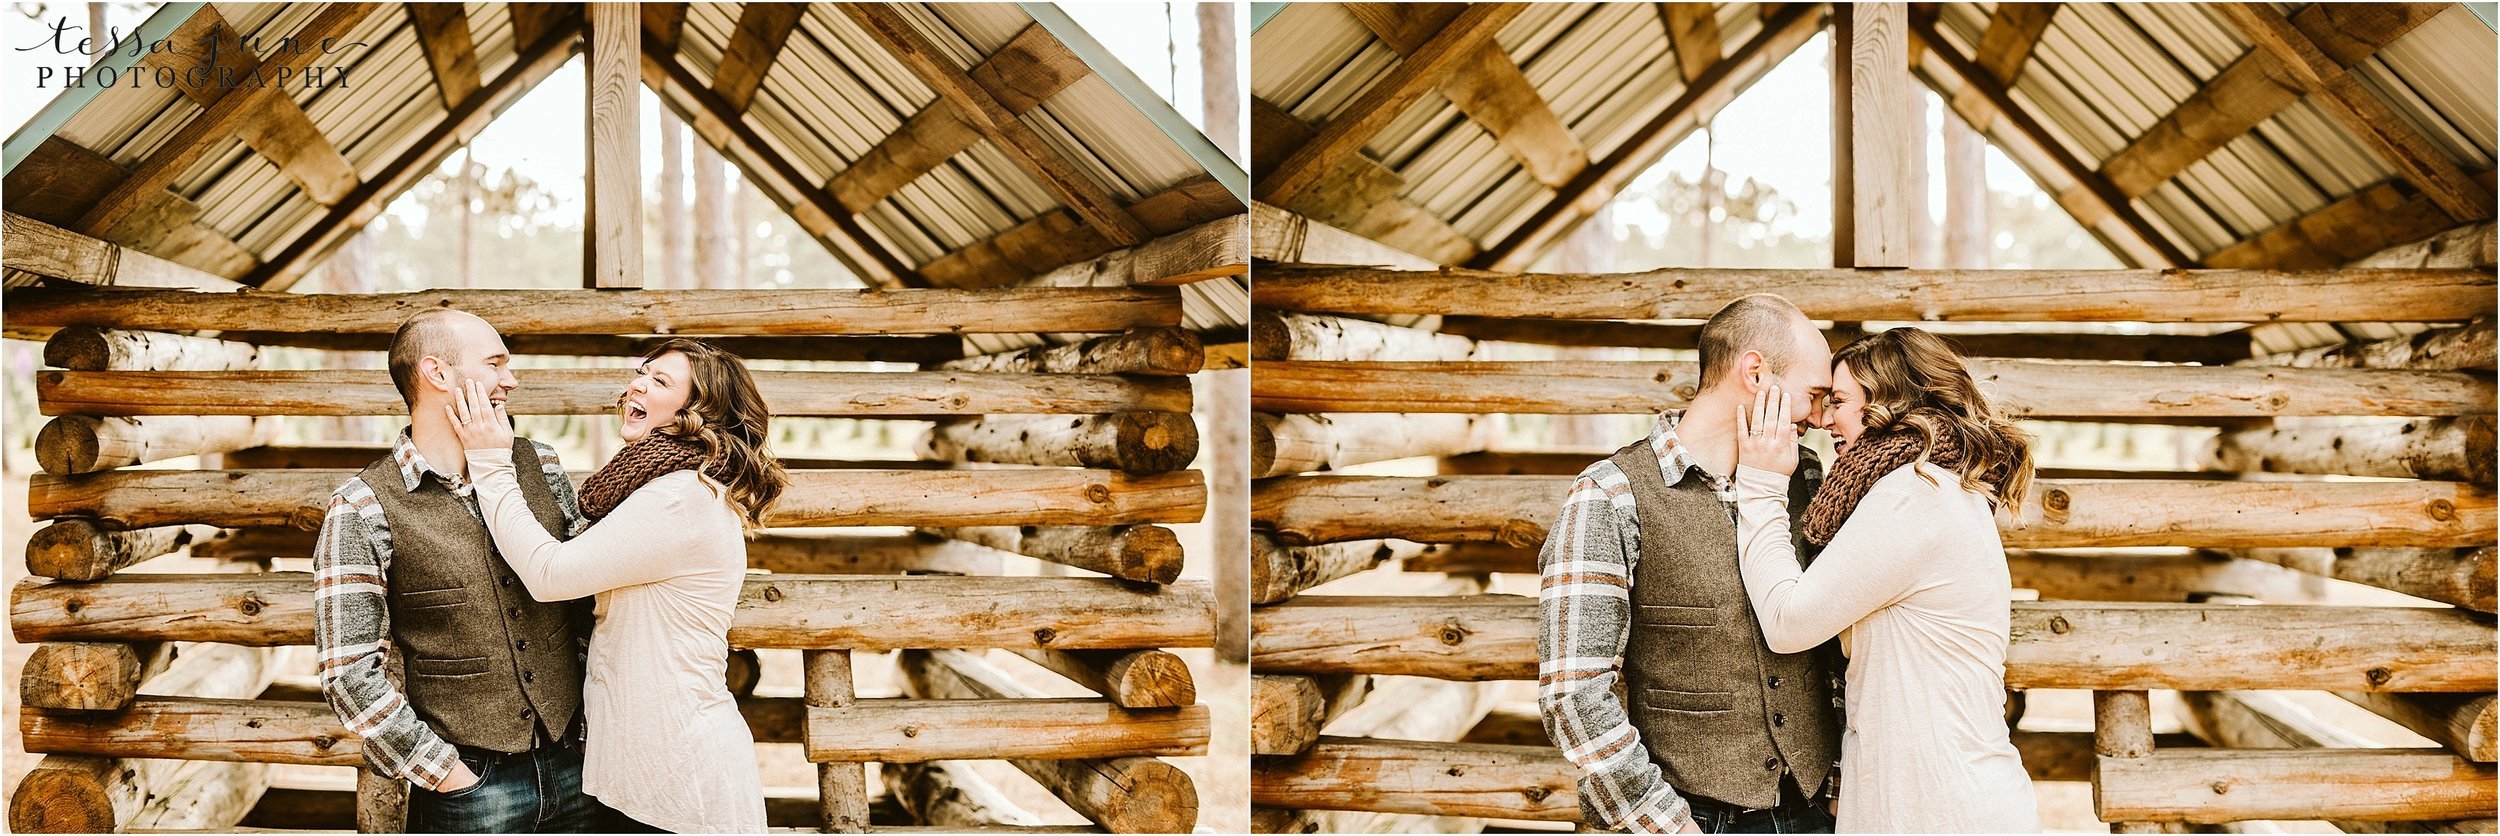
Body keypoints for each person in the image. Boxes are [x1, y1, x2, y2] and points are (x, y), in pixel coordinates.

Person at [1537, 294, 1844, 834]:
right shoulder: (1609, 495)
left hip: (1815, 812)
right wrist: (1669, 826)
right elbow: (1574, 692)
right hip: (1691, 818)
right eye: (1813, 396)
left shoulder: (1811, 482)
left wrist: (1840, 784)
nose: (1819, 418)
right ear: (1755, 373)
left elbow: (1836, 651)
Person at [448, 338, 783, 833]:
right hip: (643, 773)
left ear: (699, 412)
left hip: (681, 779)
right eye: (642, 373)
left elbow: (550, 575)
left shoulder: (682, 497)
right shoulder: (657, 485)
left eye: (661, 382)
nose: (638, 385)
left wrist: (491, 462)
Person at [1730, 327, 2041, 832]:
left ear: (1890, 402)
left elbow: (1788, 623)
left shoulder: (1916, 494)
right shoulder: (1927, 487)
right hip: (1924, 800)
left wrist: (1762, 485)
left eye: (1840, 401)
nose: (1825, 418)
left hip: (1941, 808)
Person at [314, 308, 602, 833]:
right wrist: (447, 773)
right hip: (473, 790)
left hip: (580, 767)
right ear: (438, 374)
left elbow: (589, 604)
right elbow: (348, 670)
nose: (509, 380)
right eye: (495, 364)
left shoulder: (542, 464)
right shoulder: (360, 507)